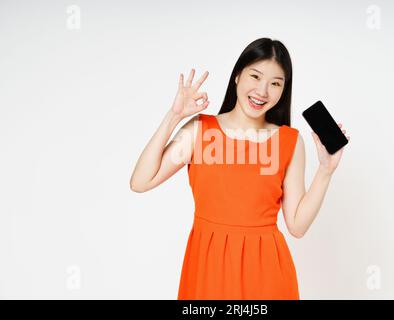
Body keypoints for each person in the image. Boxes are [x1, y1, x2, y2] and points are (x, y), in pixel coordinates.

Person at [130, 38, 350, 300]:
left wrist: (326, 170)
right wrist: (175, 115)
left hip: (267, 276)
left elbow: (297, 226)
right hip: (208, 272)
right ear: (237, 76)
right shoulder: (200, 130)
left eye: (275, 84)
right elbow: (140, 182)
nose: (262, 91)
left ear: (283, 91)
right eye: (255, 76)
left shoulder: (289, 141)